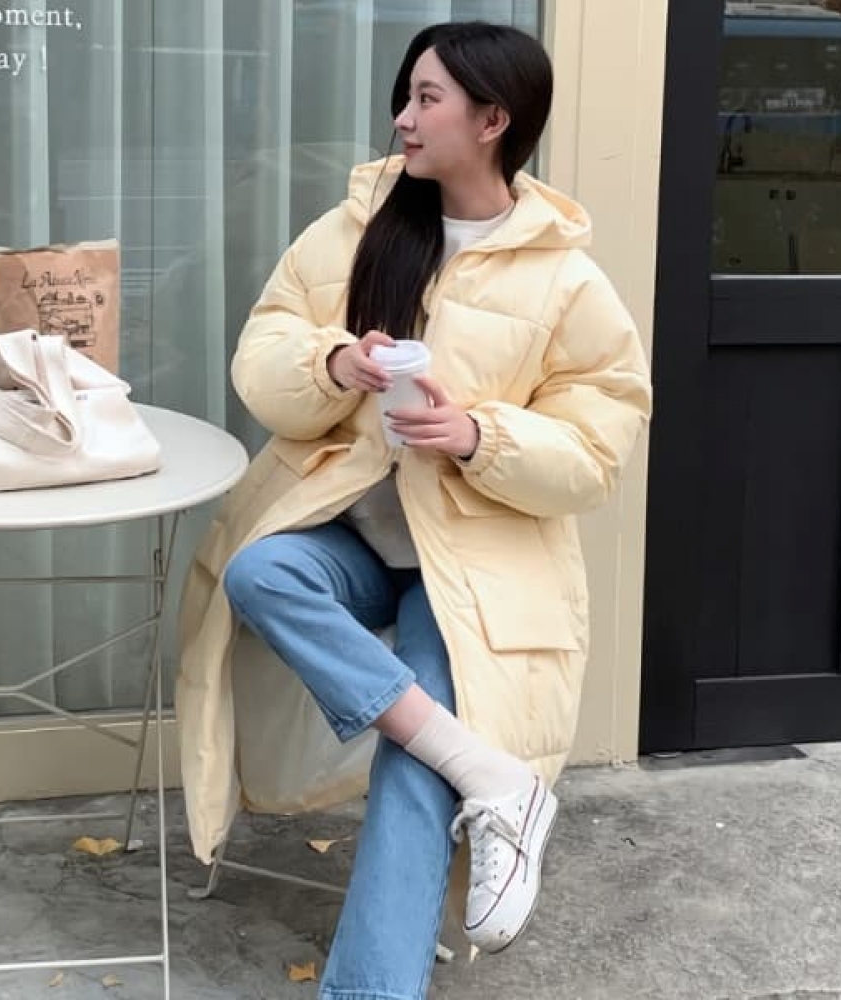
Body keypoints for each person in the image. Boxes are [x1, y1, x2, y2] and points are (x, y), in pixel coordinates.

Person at [177, 20, 652, 1000]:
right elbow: (263, 353)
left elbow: (597, 451)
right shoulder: (354, 230)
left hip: (477, 563)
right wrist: (333, 362)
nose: (402, 115)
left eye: (427, 98)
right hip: (351, 534)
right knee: (261, 569)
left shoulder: (566, 279)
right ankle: (492, 775)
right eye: (405, 94)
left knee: (414, 757)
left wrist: (479, 436)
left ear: (492, 120)